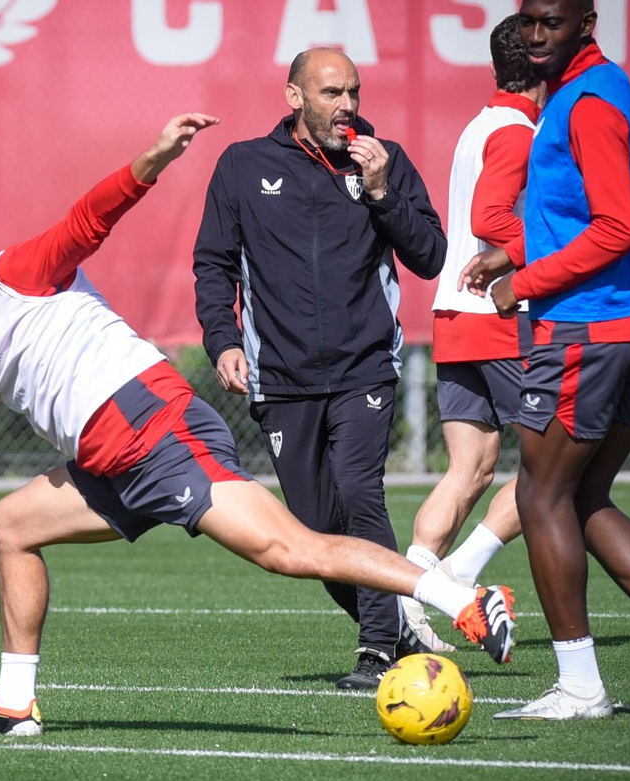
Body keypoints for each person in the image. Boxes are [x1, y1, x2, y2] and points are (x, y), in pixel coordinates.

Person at [0, 114, 517, 737]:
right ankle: (14, 702)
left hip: (161, 432)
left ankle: (461, 601)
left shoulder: (17, 275)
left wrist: (155, 158)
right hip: (110, 466)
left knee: (293, 551)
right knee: (11, 524)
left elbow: (89, 217)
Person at [461, 0, 630, 720]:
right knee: (582, 499)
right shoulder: (593, 90)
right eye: (526, 21)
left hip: (586, 331)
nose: (535, 33)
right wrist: (512, 252)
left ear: (587, 22)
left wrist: (527, 281)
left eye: (551, 20)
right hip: (624, 326)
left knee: (538, 496)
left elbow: (616, 226)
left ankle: (580, 686)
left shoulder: (586, 102)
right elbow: (579, 217)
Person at [191, 48, 453, 687]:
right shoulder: (243, 166)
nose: (348, 107)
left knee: (362, 493)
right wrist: (223, 340)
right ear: (294, 97)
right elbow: (213, 264)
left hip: (365, 368)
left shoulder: (381, 162)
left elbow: (430, 256)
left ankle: (375, 649)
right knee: (312, 530)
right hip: (280, 378)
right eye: (333, 93)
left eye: (355, 93)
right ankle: (395, 629)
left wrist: (384, 192)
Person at [404, 16, 544, 618]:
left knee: (471, 470)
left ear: (495, 68)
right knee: (552, 467)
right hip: (498, 315)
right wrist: (548, 250)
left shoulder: (480, 124)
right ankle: (461, 575)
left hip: (454, 314)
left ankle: (405, 603)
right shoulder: (516, 131)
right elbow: (492, 220)